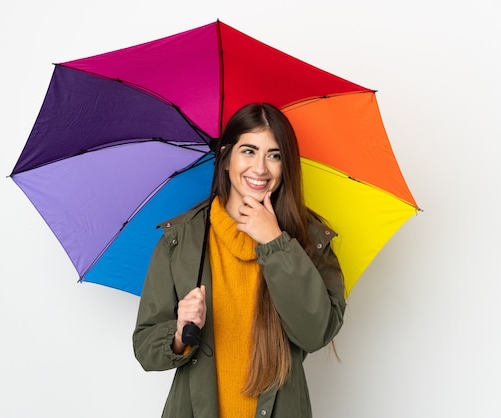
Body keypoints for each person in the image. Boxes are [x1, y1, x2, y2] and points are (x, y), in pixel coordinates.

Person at [133, 103, 346, 418]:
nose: (260, 168)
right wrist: (179, 334)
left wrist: (275, 243)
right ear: (226, 156)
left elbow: (315, 333)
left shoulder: (310, 240)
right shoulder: (180, 240)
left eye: (274, 155)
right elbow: (146, 347)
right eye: (249, 151)